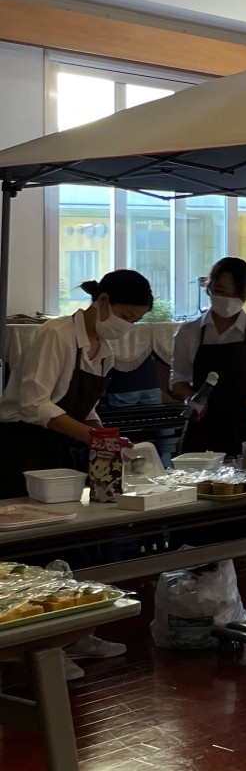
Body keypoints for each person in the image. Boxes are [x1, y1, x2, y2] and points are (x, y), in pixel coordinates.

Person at [0, 269, 156, 678]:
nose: (128, 326)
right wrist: (91, 437)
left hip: (58, 445)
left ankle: (78, 633)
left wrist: (106, 438)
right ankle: (42, 649)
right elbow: (35, 404)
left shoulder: (104, 349)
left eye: (136, 320)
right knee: (38, 548)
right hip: (21, 445)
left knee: (76, 543)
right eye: (126, 315)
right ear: (102, 302)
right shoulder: (55, 335)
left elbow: (86, 408)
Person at [170, 257, 246, 622]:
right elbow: (177, 381)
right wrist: (191, 399)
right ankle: (201, 599)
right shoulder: (190, 332)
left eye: (228, 291)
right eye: (215, 289)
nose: (220, 297)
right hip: (203, 432)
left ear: (245, 293)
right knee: (201, 514)